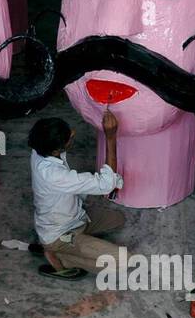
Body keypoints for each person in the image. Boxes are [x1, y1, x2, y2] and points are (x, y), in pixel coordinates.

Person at [28, 111, 125, 280]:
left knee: (118, 219)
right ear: (57, 149)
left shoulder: (39, 149)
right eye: (69, 137)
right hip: (60, 233)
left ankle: (68, 245)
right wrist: (110, 136)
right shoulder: (54, 175)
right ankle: (60, 257)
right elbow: (106, 184)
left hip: (75, 217)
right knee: (122, 261)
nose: (73, 133)